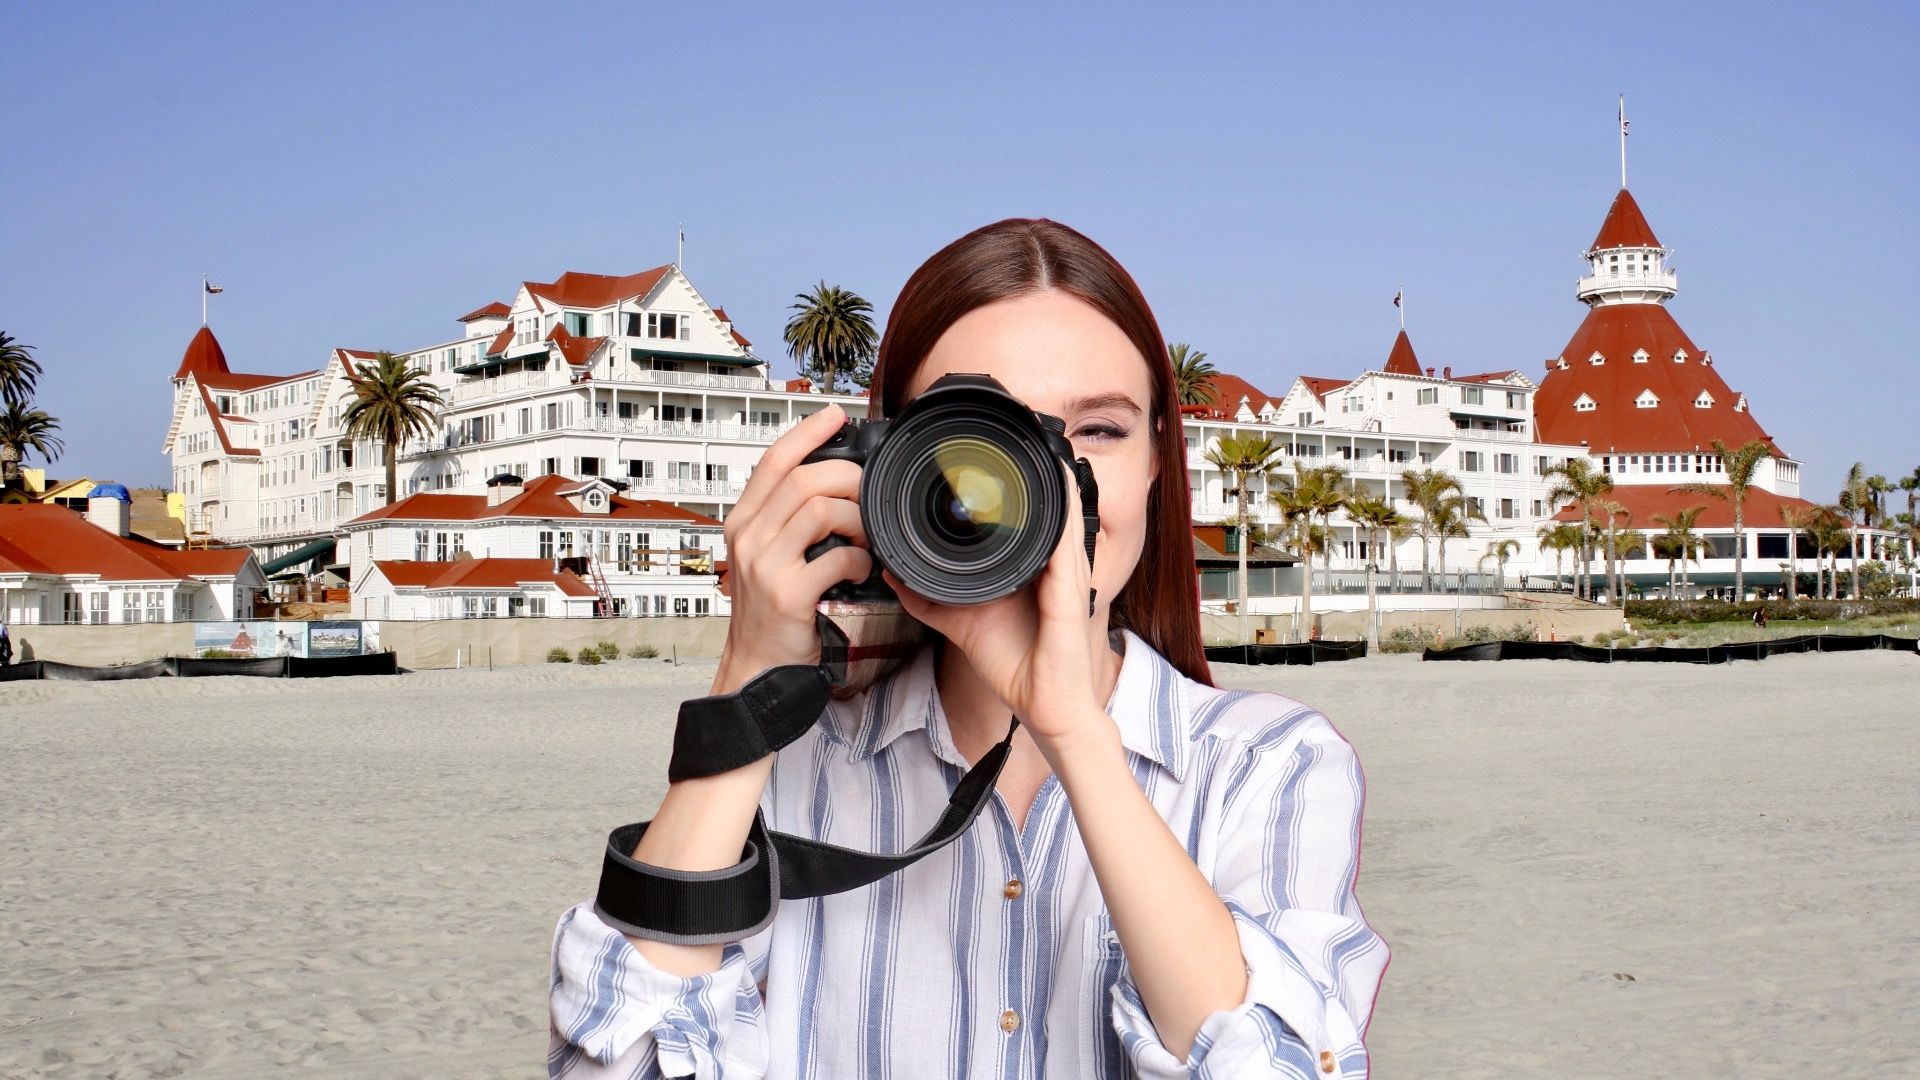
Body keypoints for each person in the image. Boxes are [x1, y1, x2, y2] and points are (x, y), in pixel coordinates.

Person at [548, 219, 1387, 1079]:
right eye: (985, 440)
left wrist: (1074, 734)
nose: (1042, 488)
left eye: (1095, 432)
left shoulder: (1267, 766)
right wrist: (748, 691)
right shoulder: (794, 769)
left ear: (1155, 466)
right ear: (891, 467)